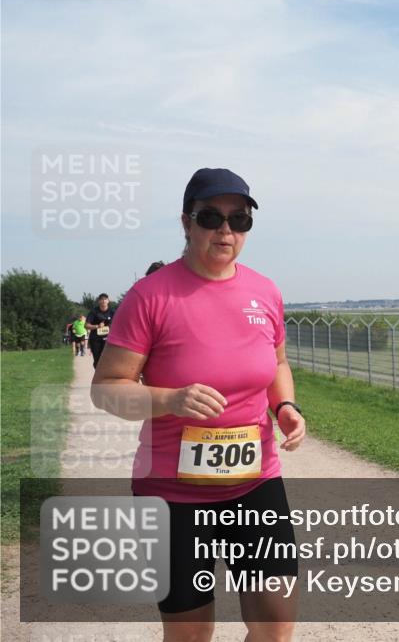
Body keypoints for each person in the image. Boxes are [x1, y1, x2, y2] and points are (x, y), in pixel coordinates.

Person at [91, 168, 305, 642]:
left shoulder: (264, 291)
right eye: (211, 217)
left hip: (256, 483)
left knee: (276, 625)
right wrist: (171, 399)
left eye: (239, 219)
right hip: (172, 496)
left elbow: (278, 362)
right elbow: (106, 387)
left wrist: (285, 405)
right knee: (190, 636)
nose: (225, 230)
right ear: (186, 223)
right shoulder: (151, 296)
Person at [85, 293, 114, 368]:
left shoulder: (112, 312)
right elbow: (86, 325)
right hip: (96, 339)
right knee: (97, 360)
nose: (103, 301)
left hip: (108, 339)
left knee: (108, 359)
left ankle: (106, 376)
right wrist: (97, 326)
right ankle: (98, 376)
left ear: (108, 301)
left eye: (105, 299)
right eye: (101, 299)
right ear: (99, 301)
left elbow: (119, 324)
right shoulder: (94, 312)